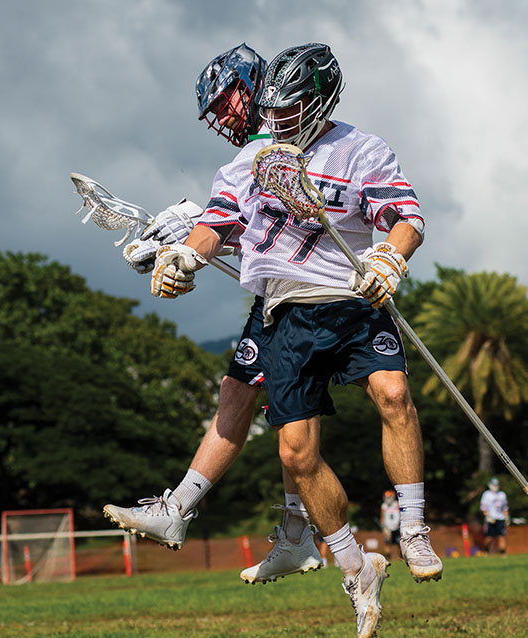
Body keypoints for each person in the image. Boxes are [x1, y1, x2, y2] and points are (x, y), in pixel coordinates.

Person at [105, 42, 443, 597]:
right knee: (268, 419)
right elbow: (230, 222)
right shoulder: (251, 158)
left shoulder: (351, 149)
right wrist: (186, 251)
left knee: (380, 396)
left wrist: (391, 254)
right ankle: (295, 534)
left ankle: (390, 529)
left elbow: (400, 216)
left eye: (230, 105)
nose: (267, 121)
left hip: (348, 299)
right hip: (284, 306)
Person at [480, 478, 509, 555]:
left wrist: (506, 517)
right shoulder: (486, 494)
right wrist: (488, 516)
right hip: (490, 519)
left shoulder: (502, 494)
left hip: (500, 518)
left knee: (501, 536)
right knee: (489, 538)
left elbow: (505, 507)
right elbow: (483, 507)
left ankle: (503, 553)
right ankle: (486, 550)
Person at [379, 489, 401, 559]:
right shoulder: (384, 506)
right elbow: (382, 517)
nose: (387, 499)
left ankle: (401, 557)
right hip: (388, 527)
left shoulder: (397, 504)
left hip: (397, 527)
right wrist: (383, 527)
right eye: (386, 497)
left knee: (399, 543)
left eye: (389, 497)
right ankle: (388, 557)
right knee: (387, 542)